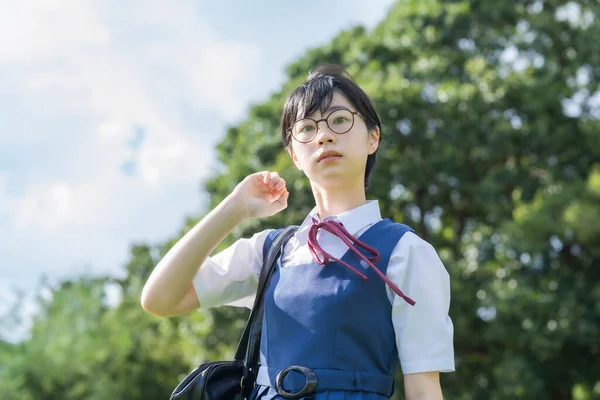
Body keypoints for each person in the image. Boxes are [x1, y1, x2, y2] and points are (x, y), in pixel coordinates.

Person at [141, 64, 455, 399]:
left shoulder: (407, 252)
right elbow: (160, 299)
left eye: (339, 120)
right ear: (294, 155)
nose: (324, 136)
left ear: (373, 137)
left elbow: (423, 387)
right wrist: (234, 209)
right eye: (306, 128)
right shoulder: (271, 250)